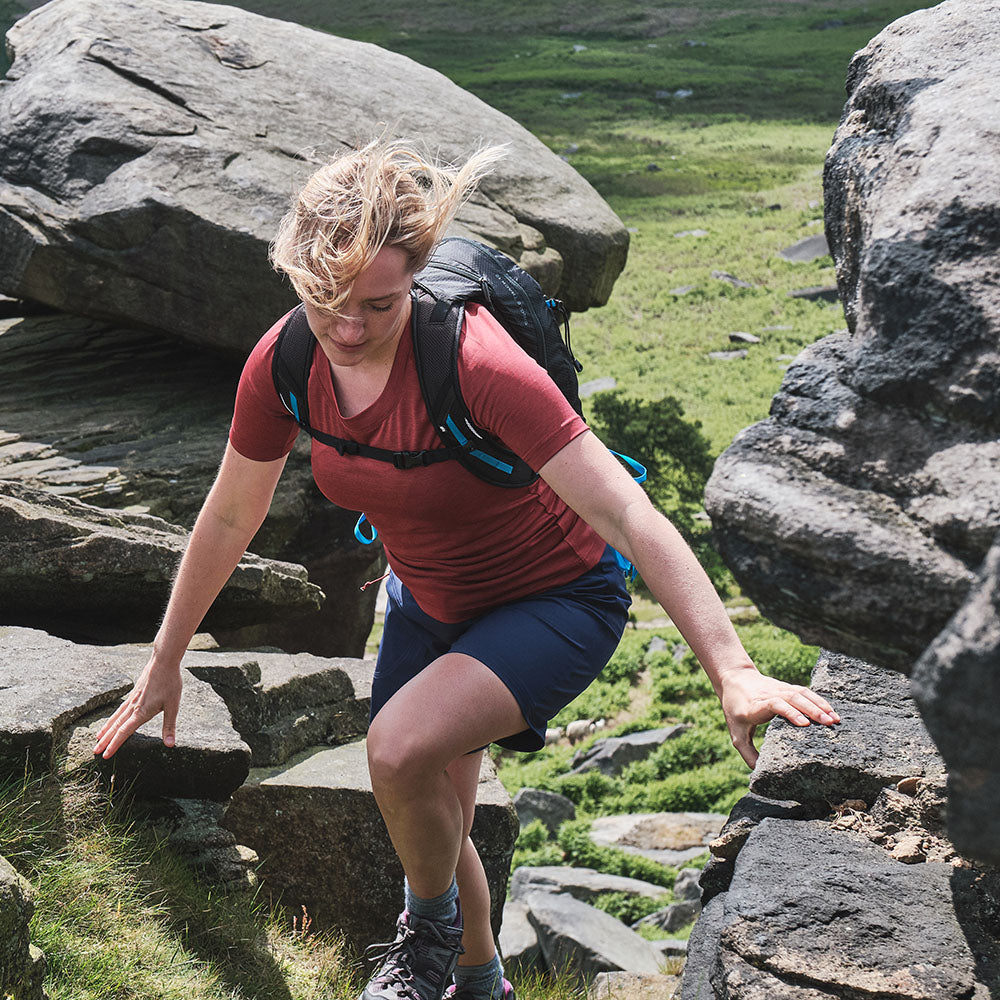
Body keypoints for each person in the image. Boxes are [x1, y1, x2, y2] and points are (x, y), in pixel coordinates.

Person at [93, 139, 839, 1000]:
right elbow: (230, 514)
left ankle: (424, 948)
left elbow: (625, 512)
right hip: (425, 600)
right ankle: (481, 982)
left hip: (555, 597)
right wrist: (166, 655)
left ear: (414, 275)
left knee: (399, 751)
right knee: (431, 807)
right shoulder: (286, 361)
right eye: (325, 298)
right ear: (294, 272)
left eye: (378, 303)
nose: (347, 328)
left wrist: (733, 670)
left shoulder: (477, 363)